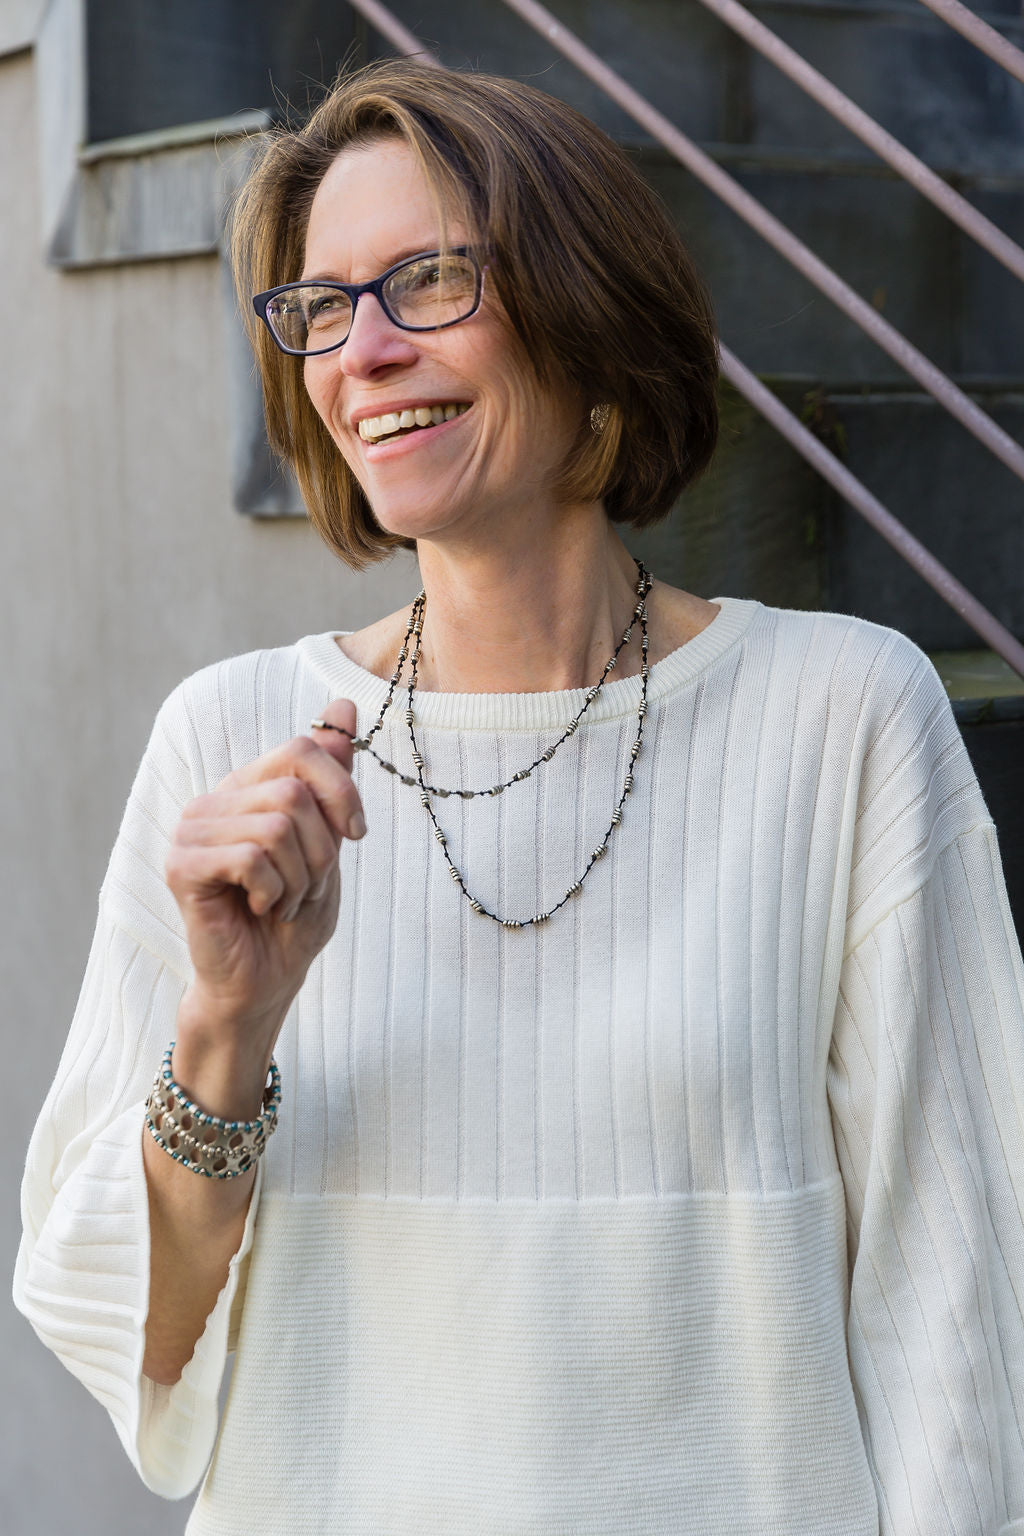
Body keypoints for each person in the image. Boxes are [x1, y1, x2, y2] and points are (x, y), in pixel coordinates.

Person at [14, 57, 1024, 1536]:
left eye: (425, 282)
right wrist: (229, 1024)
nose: (361, 351)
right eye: (321, 308)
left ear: (585, 309)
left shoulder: (846, 719)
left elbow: (960, 1305)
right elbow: (135, 1343)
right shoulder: (227, 737)